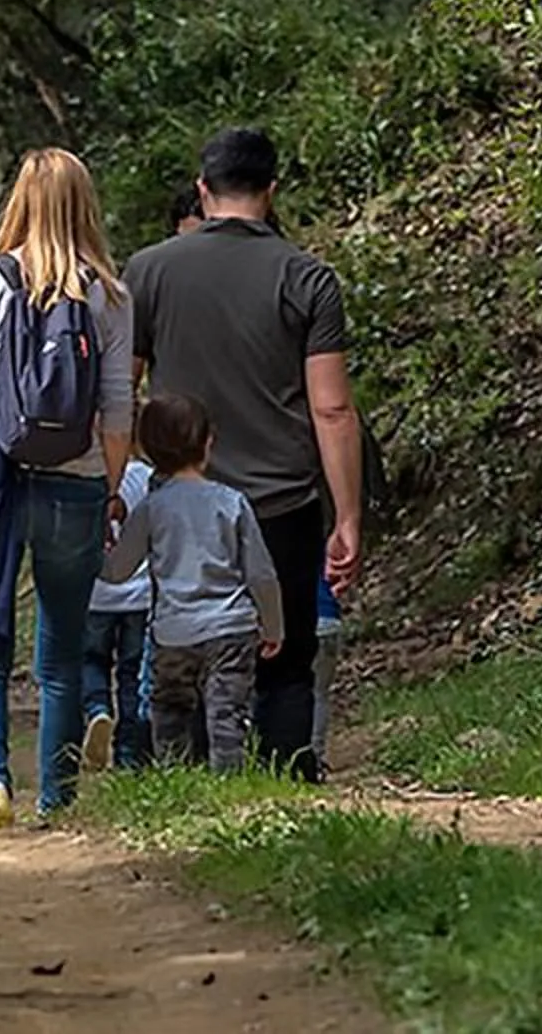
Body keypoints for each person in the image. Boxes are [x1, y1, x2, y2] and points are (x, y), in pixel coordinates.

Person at [122, 126, 363, 780]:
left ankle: (194, 783)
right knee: (285, 661)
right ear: (271, 190)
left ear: (203, 192)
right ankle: (286, 776)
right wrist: (346, 517)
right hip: (281, 501)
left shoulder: (148, 270)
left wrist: (114, 487)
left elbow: (121, 388)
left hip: (178, 504)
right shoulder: (306, 276)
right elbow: (332, 408)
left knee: (185, 643)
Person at [0, 147, 135, 832]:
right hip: (74, 482)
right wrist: (107, 488)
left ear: (18, 199)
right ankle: (58, 800)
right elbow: (118, 408)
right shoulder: (107, 291)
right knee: (63, 650)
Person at [100, 394, 282, 771]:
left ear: (148, 450)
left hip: (173, 631)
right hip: (231, 626)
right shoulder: (232, 503)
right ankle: (228, 783)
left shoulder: (151, 509)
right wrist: (273, 624)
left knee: (169, 709)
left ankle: (174, 777)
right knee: (227, 711)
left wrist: (96, 548)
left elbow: (117, 571)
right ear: (207, 442)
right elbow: (261, 573)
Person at [80, 452, 155, 772]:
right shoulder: (148, 477)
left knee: (91, 661)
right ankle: (131, 756)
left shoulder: (86, 476)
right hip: (140, 597)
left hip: (94, 595)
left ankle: (97, 709)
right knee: (133, 674)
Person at [311, 571, 344, 769]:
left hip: (295, 622)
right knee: (319, 694)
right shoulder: (322, 546)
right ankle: (315, 756)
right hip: (328, 620)